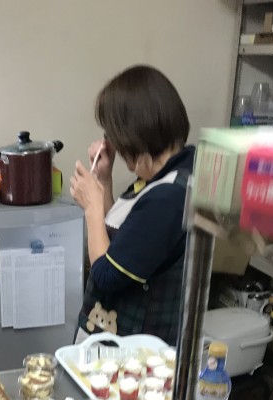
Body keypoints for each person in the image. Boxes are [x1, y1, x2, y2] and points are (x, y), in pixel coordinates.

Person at [70, 64, 195, 345]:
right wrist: (104, 180)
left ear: (133, 137)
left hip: (131, 352)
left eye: (113, 135)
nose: (111, 142)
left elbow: (106, 274)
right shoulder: (164, 175)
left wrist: (92, 208)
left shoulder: (167, 199)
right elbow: (125, 240)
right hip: (112, 338)